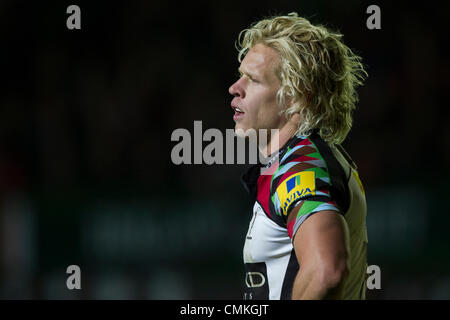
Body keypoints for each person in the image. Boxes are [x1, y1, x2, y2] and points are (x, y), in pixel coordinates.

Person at [228, 12, 368, 300]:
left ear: (295, 97)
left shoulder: (301, 167)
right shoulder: (301, 160)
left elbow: (326, 270)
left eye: (252, 80)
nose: (235, 88)